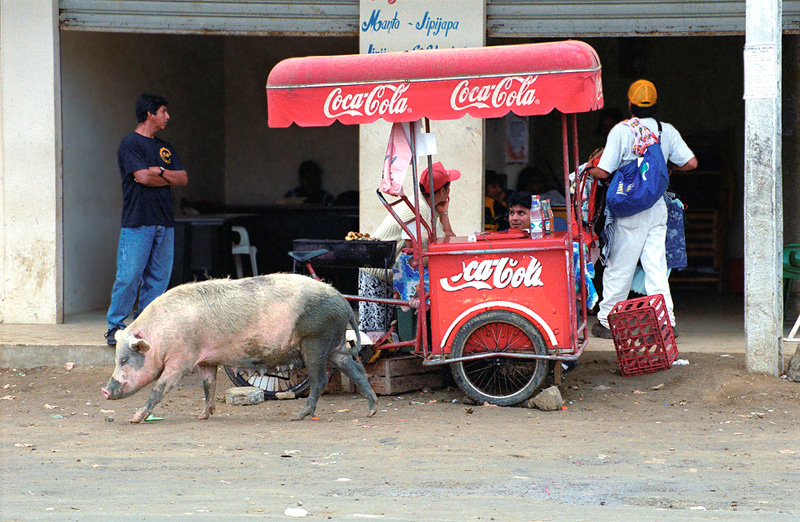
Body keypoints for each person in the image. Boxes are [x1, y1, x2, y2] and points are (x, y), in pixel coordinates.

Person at [587, 79, 697, 339]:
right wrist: (668, 169)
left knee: (620, 266)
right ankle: (665, 320)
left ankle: (606, 320)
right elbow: (691, 163)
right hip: (657, 207)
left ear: (630, 104)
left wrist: (588, 170)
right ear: (656, 105)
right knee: (656, 266)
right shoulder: (665, 130)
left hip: (628, 208)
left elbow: (604, 170)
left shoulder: (622, 131)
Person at [105, 93, 189, 345]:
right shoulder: (129, 144)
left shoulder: (165, 148)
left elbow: (183, 178)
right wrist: (165, 179)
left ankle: (144, 328)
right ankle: (115, 327)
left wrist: (160, 171)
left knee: (158, 279)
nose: (167, 116)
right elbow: (142, 177)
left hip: (165, 221)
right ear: (149, 113)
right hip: (138, 221)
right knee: (129, 276)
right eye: (163, 111)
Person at [358, 161, 460, 334]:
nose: (450, 192)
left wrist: (443, 213)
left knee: (392, 331)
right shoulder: (416, 208)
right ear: (442, 191)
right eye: (448, 188)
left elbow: (448, 239)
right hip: (378, 272)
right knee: (377, 334)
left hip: (393, 273)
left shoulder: (430, 207)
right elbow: (414, 255)